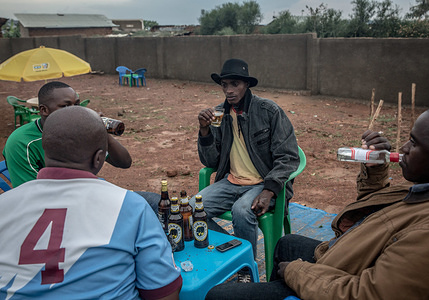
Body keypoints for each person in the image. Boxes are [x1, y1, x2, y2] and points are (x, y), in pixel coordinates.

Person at [206, 104, 429, 299]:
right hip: (348, 256)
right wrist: (375, 171)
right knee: (285, 243)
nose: (404, 148)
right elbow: (376, 215)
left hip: (344, 277)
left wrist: (297, 272)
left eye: (415, 143)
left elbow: (368, 293)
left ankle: (256, 274)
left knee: (218, 294)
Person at [0, 106, 182, 299]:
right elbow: (163, 293)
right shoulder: (130, 206)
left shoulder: (4, 203)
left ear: (45, 153)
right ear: (99, 158)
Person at [190, 58, 300, 281]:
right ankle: (235, 252)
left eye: (235, 84)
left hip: (262, 182)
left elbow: (288, 157)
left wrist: (269, 190)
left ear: (246, 85)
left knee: (242, 210)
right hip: (231, 181)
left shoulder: (268, 111)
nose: (229, 91)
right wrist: (204, 131)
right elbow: (209, 161)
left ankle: (245, 269)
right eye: (224, 85)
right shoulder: (219, 115)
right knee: (192, 209)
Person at [2, 81, 160, 212]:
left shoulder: (80, 130)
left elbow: (124, 162)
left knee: (158, 203)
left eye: (77, 105)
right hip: (63, 209)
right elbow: (32, 199)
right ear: (44, 110)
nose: (75, 111)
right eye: (65, 106)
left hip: (89, 193)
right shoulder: (21, 142)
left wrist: (101, 131)